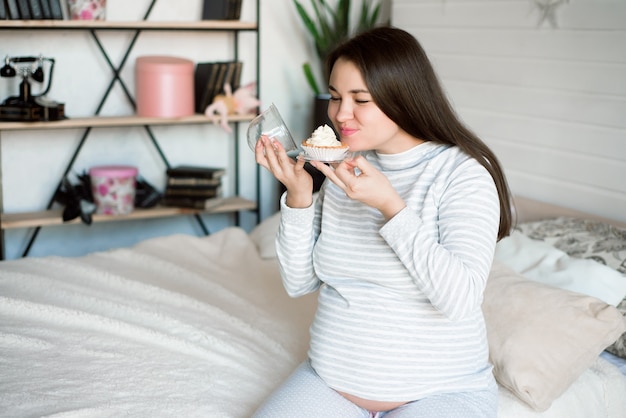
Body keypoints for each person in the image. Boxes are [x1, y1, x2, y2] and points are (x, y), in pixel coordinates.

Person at [252, 26, 512, 418]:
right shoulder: (346, 167)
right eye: (336, 96)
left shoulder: (463, 174)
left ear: (402, 97)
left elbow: (459, 300)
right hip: (329, 383)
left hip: (442, 393)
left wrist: (391, 206)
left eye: (361, 99)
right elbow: (299, 282)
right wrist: (300, 196)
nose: (341, 114)